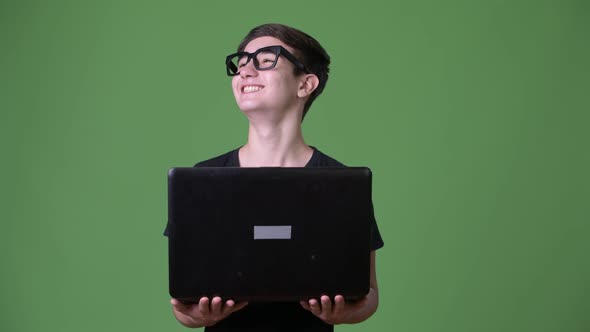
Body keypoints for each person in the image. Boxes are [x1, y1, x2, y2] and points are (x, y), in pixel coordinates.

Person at [165, 23, 384, 331]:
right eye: (240, 62)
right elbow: (182, 305)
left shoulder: (344, 186)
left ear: (306, 84)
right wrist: (195, 316)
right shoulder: (201, 183)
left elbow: (369, 295)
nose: (245, 71)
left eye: (265, 60)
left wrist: (343, 314)